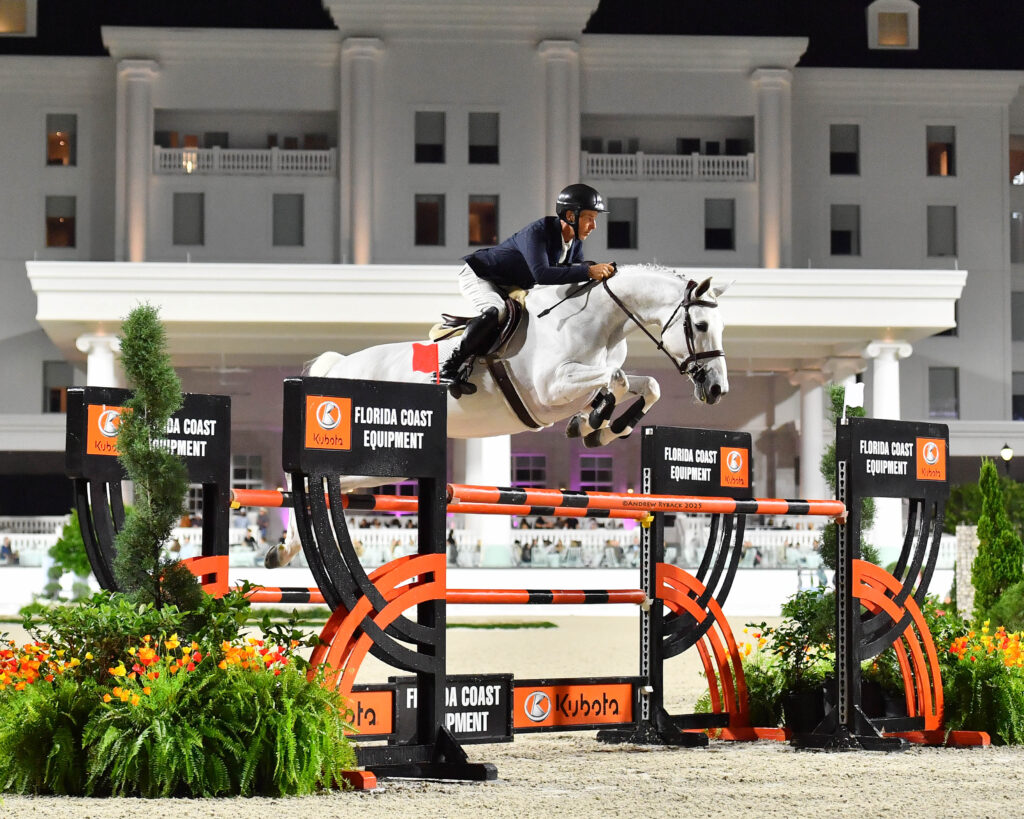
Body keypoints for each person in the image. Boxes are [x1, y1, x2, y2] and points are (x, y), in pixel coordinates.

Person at [439, 183, 617, 397]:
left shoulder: (574, 242)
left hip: (512, 284)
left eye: (595, 219)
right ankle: (448, 368)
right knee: (497, 311)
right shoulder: (538, 232)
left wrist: (594, 271)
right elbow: (542, 274)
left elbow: (571, 272)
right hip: (482, 275)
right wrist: (588, 271)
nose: (594, 226)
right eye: (589, 218)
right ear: (571, 215)